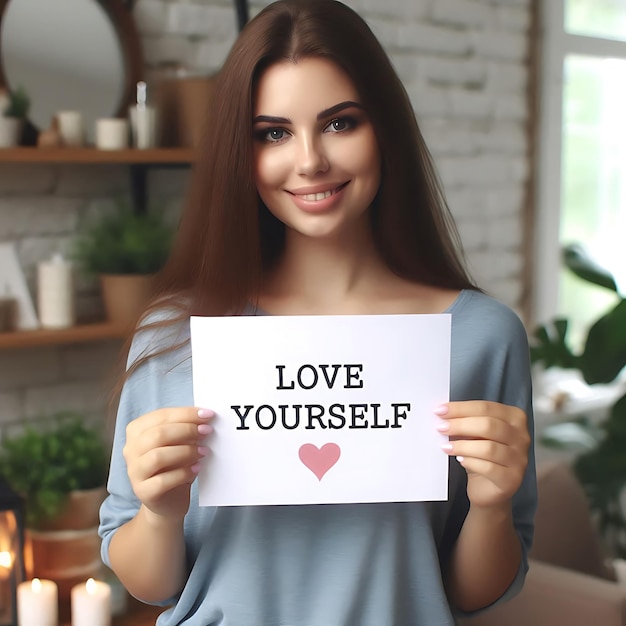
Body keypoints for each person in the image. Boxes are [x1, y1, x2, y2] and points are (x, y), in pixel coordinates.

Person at [98, 1, 536, 624]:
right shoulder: (176, 334)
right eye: (272, 133)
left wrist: (492, 507)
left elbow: (476, 593)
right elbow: (149, 586)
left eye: (340, 123)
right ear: (239, 152)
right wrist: (159, 513)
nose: (309, 161)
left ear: (384, 127)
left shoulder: (481, 337)